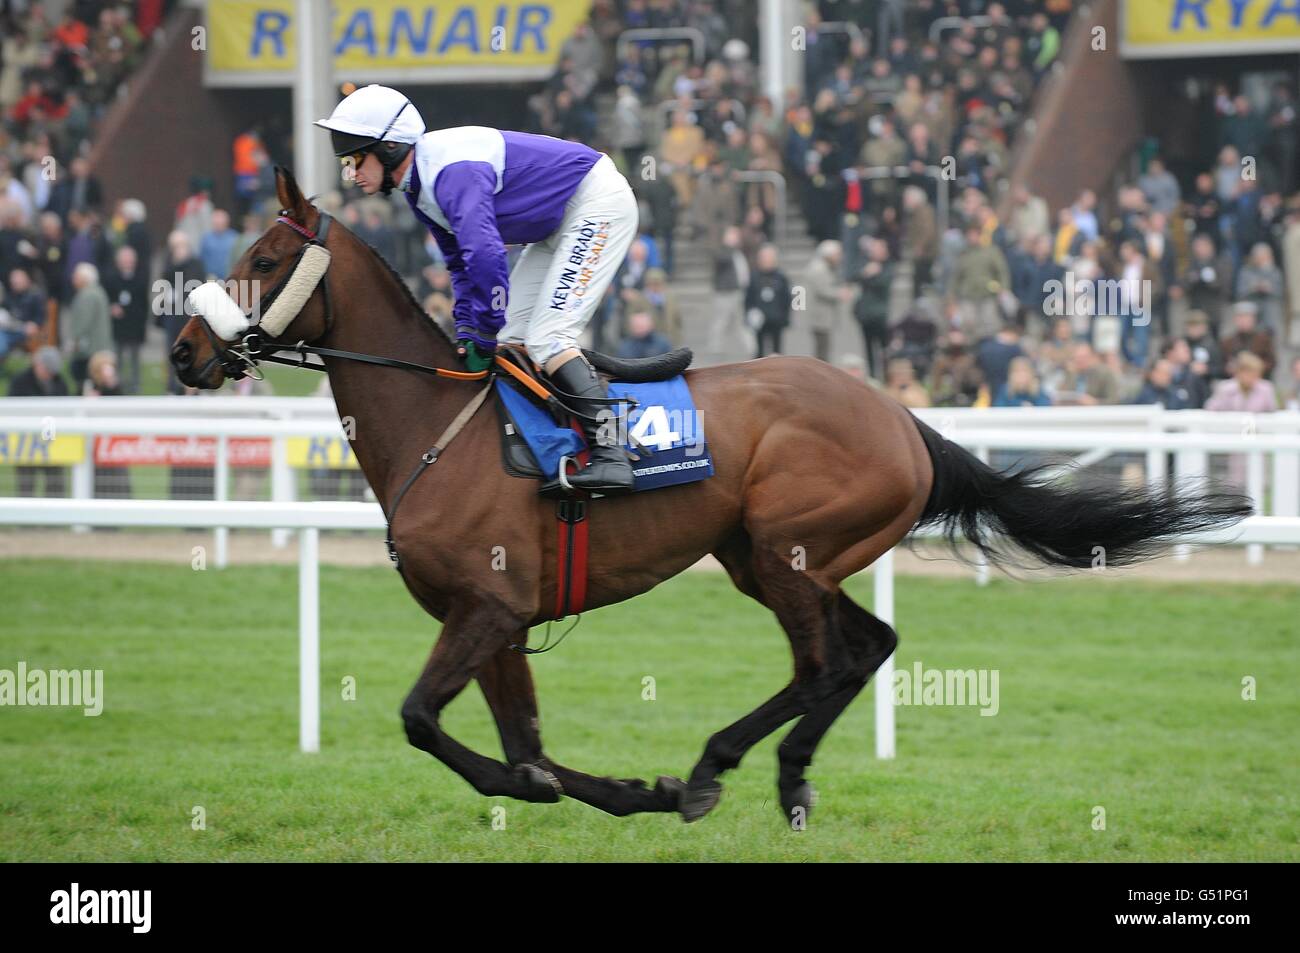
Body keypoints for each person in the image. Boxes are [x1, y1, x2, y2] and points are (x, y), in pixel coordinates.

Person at [315, 84, 640, 492]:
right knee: (512, 338)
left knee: (549, 339)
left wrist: (482, 330)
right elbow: (460, 266)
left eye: (355, 159)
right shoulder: (419, 187)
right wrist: (471, 335)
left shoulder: (451, 173)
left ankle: (612, 453)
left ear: (391, 148)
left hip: (596, 204)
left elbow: (485, 257)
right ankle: (558, 444)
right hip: (557, 224)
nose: (351, 174)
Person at [62, 262, 111, 391]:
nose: (73, 279)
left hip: (88, 348)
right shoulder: (98, 291)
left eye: (76, 276)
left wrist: (73, 339)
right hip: (98, 345)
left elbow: (83, 322)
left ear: (84, 278)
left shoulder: (87, 295)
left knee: (85, 379)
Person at [744, 243, 791, 358]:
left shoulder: (781, 276)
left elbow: (787, 298)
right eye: (764, 258)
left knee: (776, 351)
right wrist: (749, 314)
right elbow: (748, 298)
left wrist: (785, 318)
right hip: (759, 319)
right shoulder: (754, 276)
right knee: (758, 351)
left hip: (776, 319)